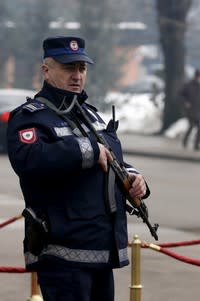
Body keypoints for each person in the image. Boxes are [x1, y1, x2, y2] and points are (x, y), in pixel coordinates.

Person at [7, 36, 151, 301]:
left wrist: (132, 177)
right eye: (68, 68)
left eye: (81, 68)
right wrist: (88, 151)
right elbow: (30, 159)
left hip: (101, 249)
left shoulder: (90, 114)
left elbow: (112, 158)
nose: (77, 75)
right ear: (46, 70)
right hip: (63, 252)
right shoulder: (31, 116)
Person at [180, 69, 200, 151]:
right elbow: (181, 95)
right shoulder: (188, 85)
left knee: (198, 128)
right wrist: (186, 102)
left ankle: (196, 144)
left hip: (198, 110)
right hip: (190, 110)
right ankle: (186, 141)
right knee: (192, 126)